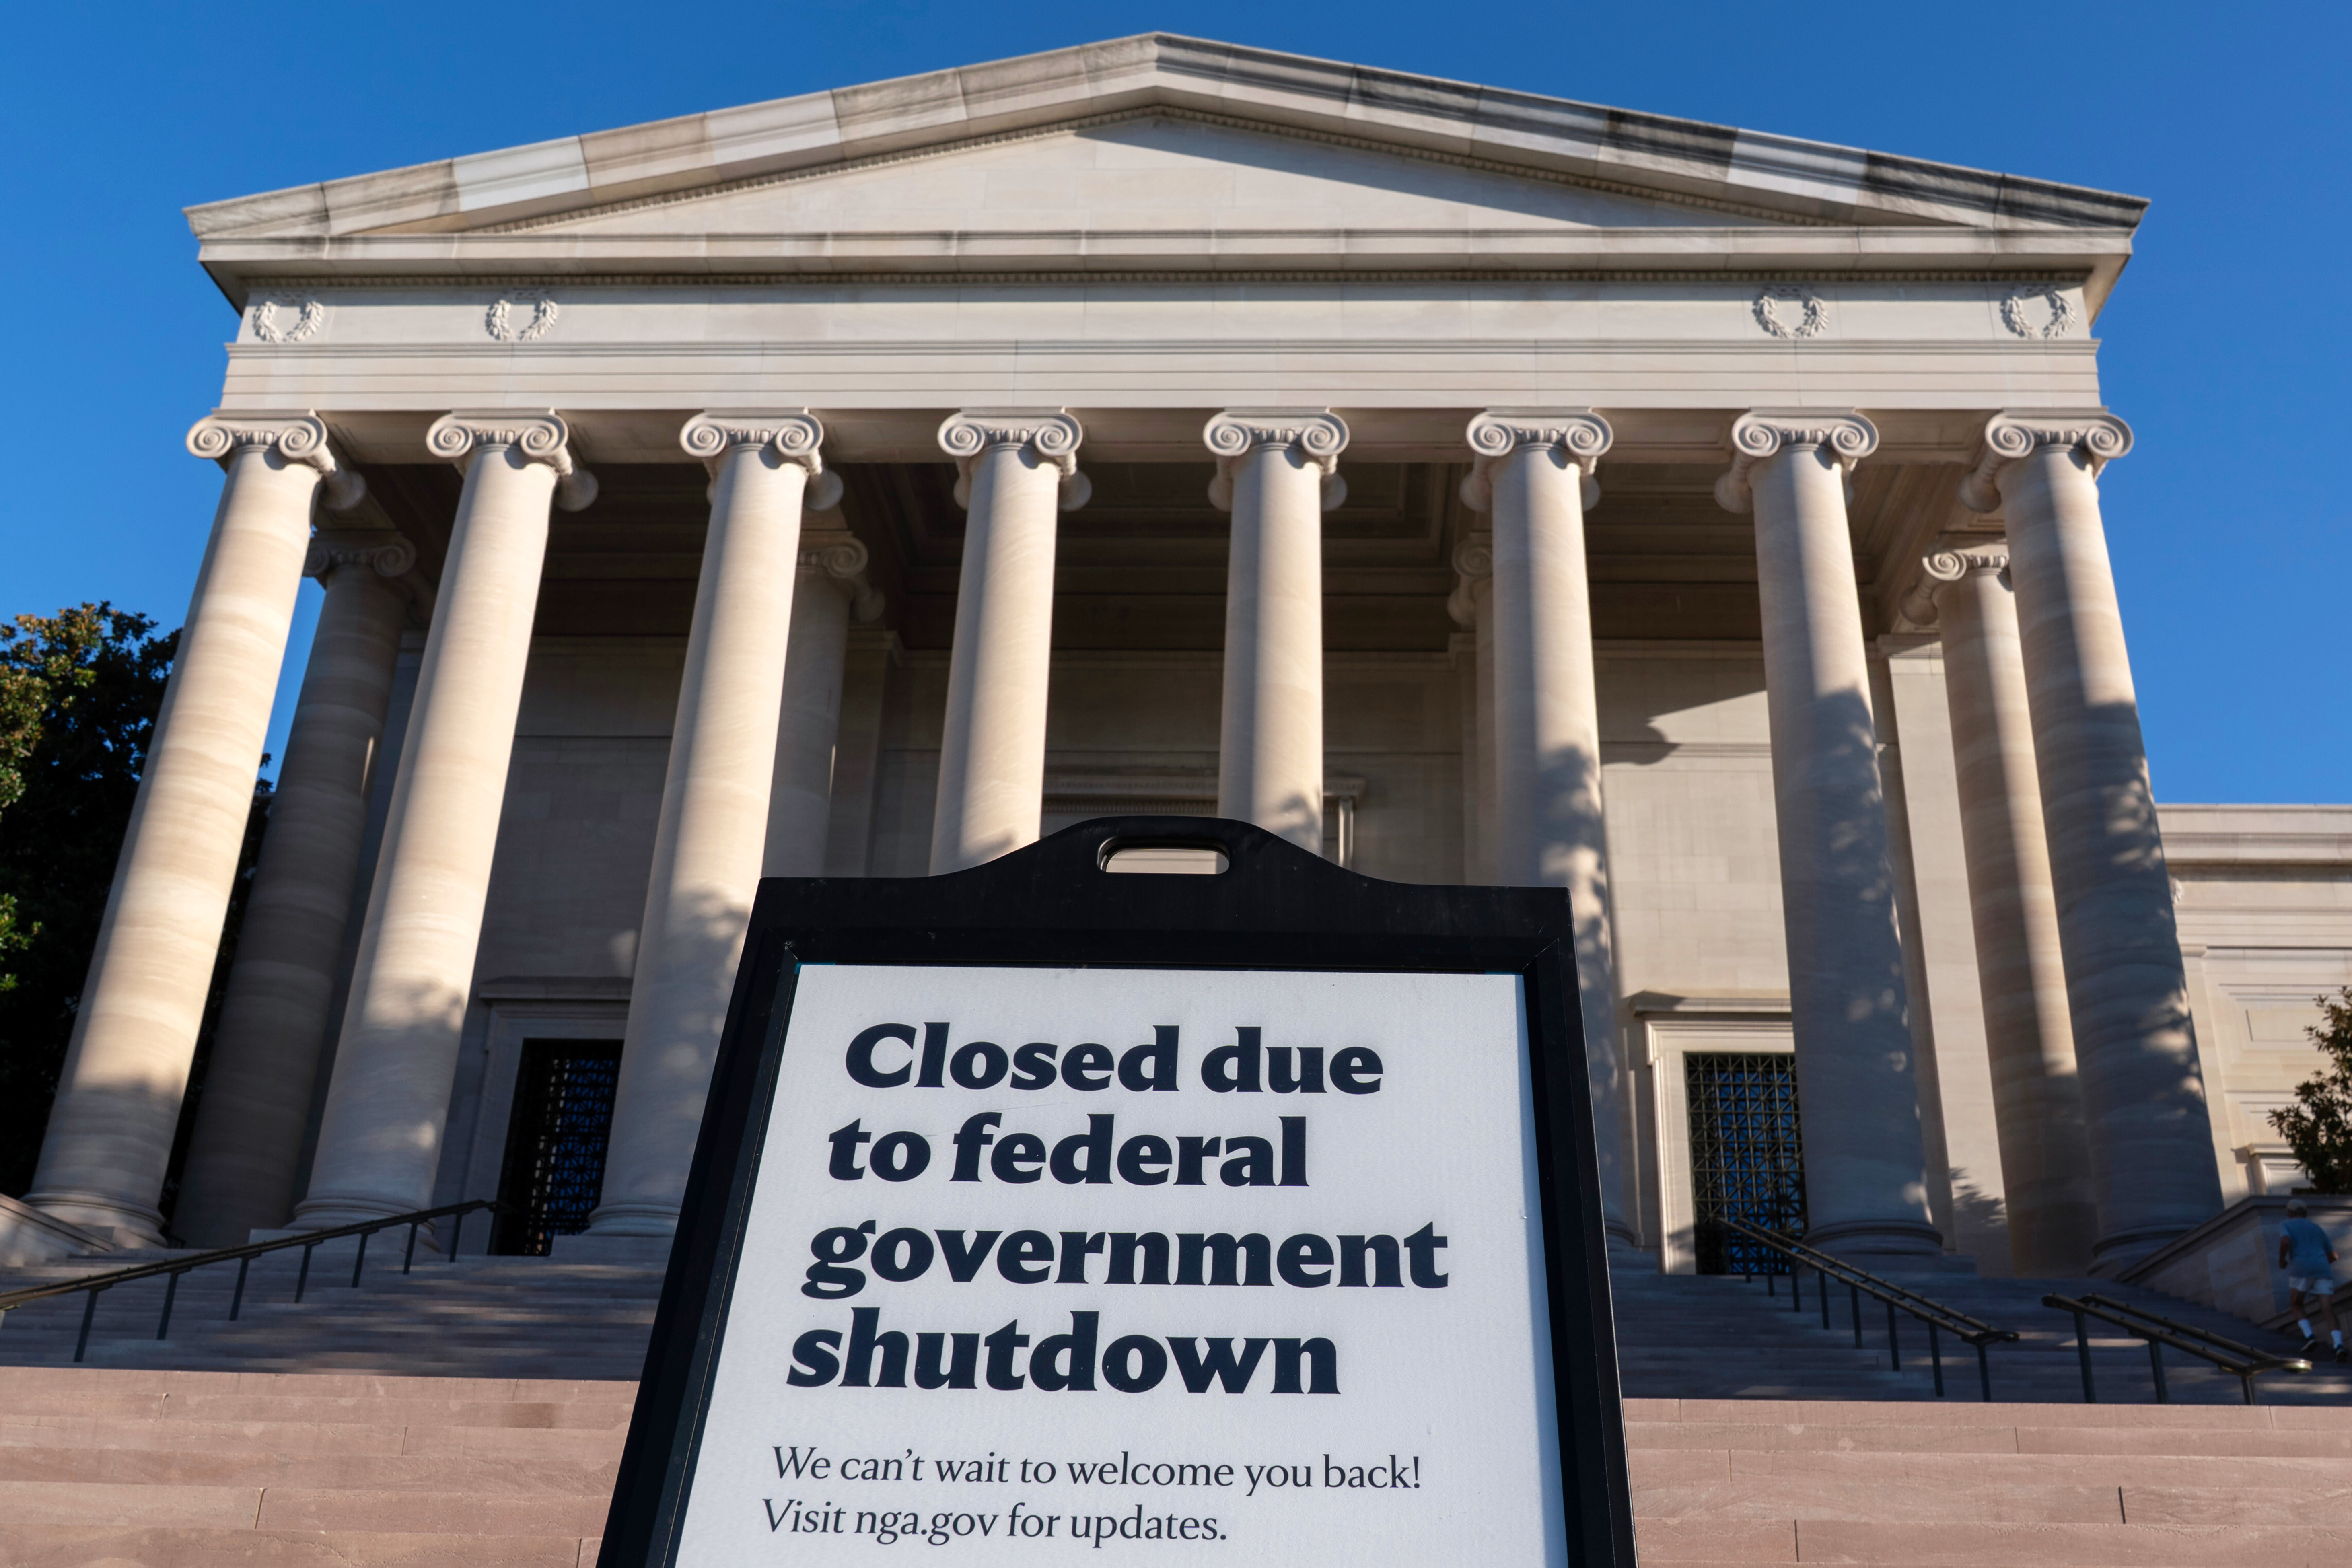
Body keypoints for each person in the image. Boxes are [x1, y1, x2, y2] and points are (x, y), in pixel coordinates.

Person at [2278, 1199, 2346, 1362]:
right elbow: (2334, 1256)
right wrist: (2320, 1263)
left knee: (2296, 1304)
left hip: (2301, 1268)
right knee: (2327, 1308)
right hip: (2323, 1269)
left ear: (2291, 1213)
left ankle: (2310, 1337)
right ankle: (2338, 1345)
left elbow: (2285, 1241)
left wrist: (2282, 1260)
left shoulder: (2287, 1225)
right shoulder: (2317, 1228)